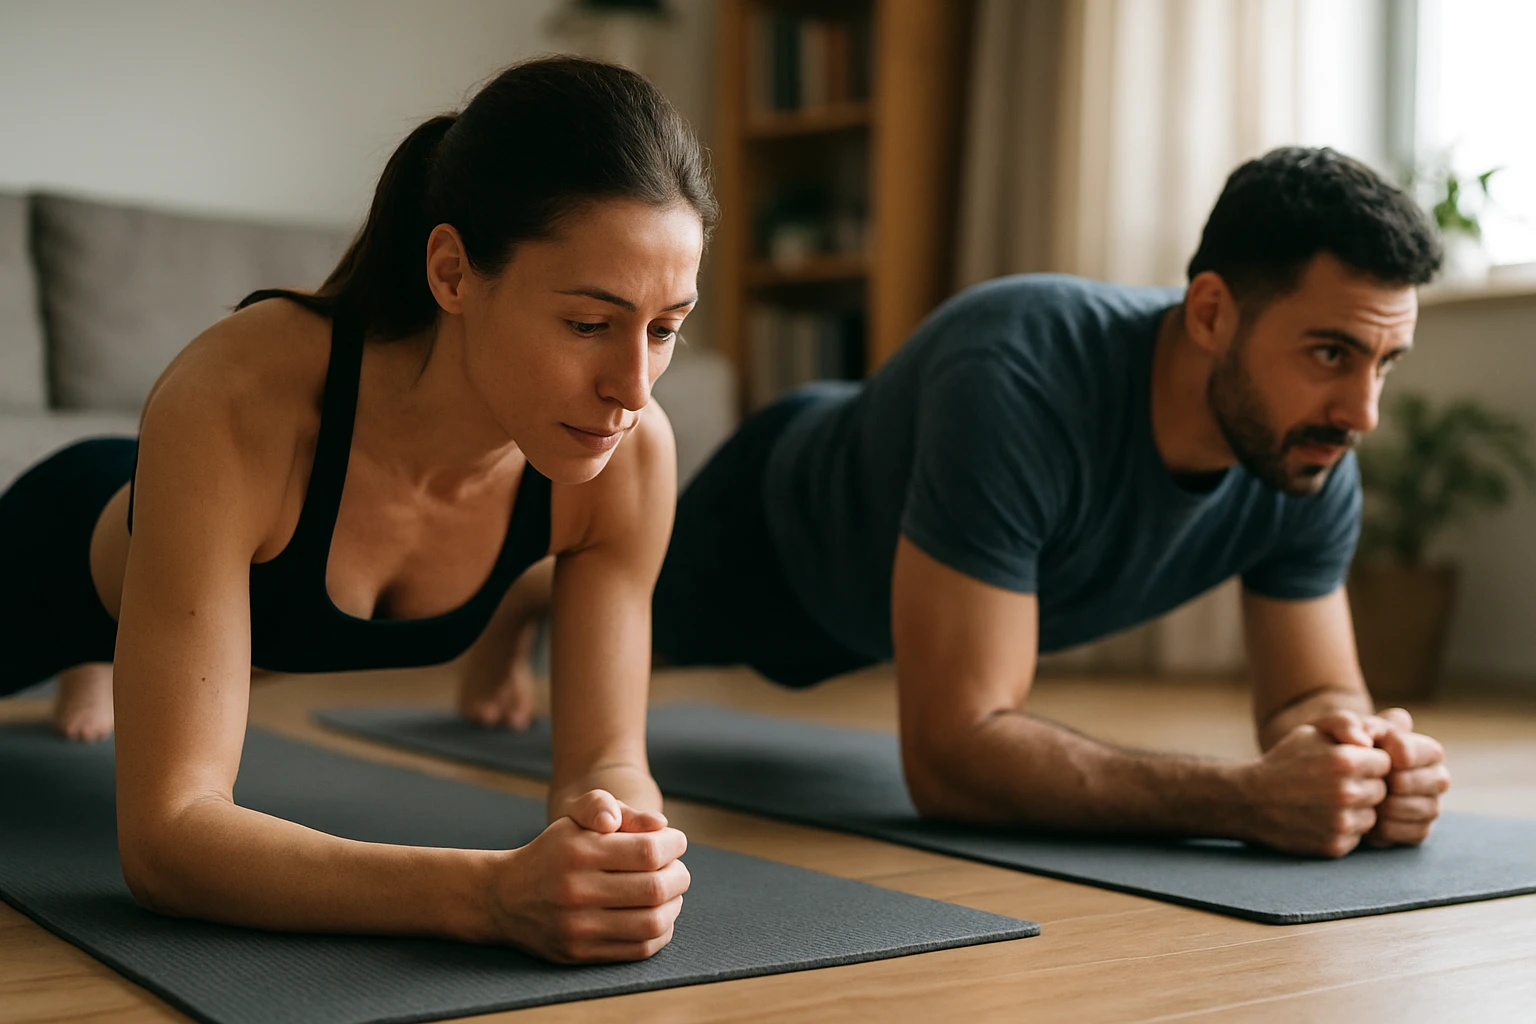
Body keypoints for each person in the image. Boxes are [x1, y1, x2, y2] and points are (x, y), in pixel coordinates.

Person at [0, 56, 711, 963]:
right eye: (587, 324)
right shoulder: (236, 398)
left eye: (665, 330)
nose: (631, 387)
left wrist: (621, 845)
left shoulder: (629, 454)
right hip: (62, 539)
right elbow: (167, 839)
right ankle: (94, 657)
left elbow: (607, 759)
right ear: (452, 272)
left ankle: (113, 669)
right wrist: (489, 895)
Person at [651, 146, 1454, 859]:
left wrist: (1363, 761)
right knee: (570, 580)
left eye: (1384, 363)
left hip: (876, 610)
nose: (1363, 412)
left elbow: (1310, 697)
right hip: (775, 531)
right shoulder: (1016, 373)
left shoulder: (1305, 450)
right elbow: (951, 760)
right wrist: (1243, 799)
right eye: (1329, 353)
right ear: (1211, 313)